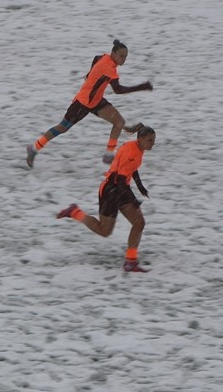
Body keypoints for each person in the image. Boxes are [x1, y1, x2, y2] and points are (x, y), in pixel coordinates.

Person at [25, 39, 153, 168]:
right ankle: (34, 148)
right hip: (82, 103)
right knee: (62, 127)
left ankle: (109, 155)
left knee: (119, 122)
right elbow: (118, 90)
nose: (124, 59)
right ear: (113, 53)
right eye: (121, 56)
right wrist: (142, 87)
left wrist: (90, 73)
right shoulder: (109, 69)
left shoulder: (104, 57)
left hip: (96, 100)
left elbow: (96, 57)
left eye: (125, 56)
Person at [56, 123, 157, 272]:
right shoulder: (131, 152)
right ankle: (74, 212)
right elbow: (120, 179)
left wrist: (140, 186)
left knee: (138, 223)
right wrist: (133, 200)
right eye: (150, 140)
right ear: (140, 138)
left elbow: (132, 169)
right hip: (111, 190)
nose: (153, 144)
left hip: (119, 188)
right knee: (105, 231)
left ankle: (131, 261)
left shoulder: (136, 148)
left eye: (154, 140)